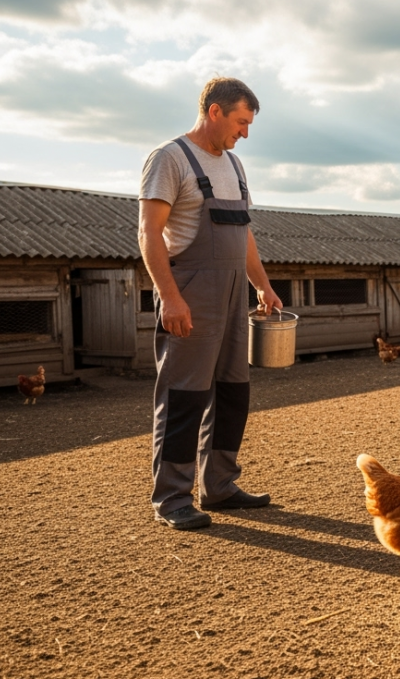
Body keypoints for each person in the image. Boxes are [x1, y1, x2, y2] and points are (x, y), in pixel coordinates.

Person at [138, 77, 283, 529]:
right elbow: (149, 234)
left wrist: (262, 285)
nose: (245, 133)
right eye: (241, 121)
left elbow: (243, 236)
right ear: (215, 111)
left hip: (232, 295)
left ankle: (218, 486)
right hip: (191, 293)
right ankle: (172, 498)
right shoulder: (169, 159)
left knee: (232, 393)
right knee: (184, 396)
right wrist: (170, 298)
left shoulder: (235, 167)